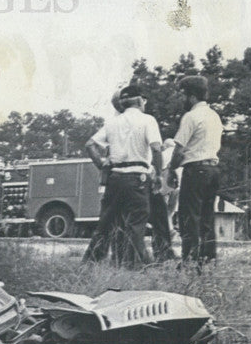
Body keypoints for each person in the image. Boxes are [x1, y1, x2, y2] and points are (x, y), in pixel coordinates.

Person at [82, 83, 162, 267]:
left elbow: (89, 145)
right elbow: (156, 149)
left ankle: (89, 263)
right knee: (136, 224)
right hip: (137, 177)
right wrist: (157, 175)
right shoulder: (148, 120)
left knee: (105, 224)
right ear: (140, 100)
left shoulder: (112, 122)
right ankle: (139, 265)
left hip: (115, 178)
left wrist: (101, 164)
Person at [170, 75, 223, 264]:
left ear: (191, 96)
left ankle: (190, 260)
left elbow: (179, 149)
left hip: (195, 170)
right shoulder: (214, 116)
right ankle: (208, 260)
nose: (182, 99)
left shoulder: (191, 116)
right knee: (207, 218)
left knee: (189, 217)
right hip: (213, 169)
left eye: (183, 95)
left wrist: (171, 169)